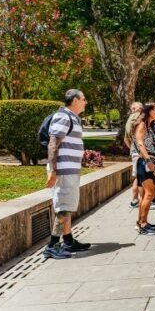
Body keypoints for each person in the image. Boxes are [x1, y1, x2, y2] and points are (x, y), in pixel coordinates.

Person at [44, 89, 92, 259]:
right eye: (84, 98)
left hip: (69, 171)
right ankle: (52, 245)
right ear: (74, 100)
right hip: (63, 171)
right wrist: (53, 170)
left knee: (68, 206)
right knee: (63, 208)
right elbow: (52, 144)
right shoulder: (63, 117)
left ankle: (68, 240)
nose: (86, 102)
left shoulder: (72, 118)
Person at [132, 103, 155, 235]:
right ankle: (142, 225)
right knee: (149, 194)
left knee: (146, 195)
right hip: (144, 162)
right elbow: (140, 143)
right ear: (149, 111)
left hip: (150, 161)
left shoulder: (149, 126)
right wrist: (148, 161)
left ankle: (142, 222)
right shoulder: (142, 125)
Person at [124, 101, 144, 210]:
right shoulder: (139, 118)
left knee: (137, 176)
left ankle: (136, 199)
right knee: (140, 177)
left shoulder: (128, 120)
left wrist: (132, 148)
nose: (140, 109)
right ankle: (137, 200)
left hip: (135, 151)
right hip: (141, 151)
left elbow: (126, 139)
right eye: (139, 108)